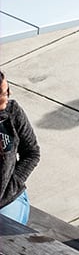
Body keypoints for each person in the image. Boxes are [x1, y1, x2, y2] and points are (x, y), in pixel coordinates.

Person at [0, 71, 41, 225]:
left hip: (8, 198)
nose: (10, 94)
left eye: (8, 89)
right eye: (5, 92)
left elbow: (32, 153)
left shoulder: (12, 112)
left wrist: (13, 184)